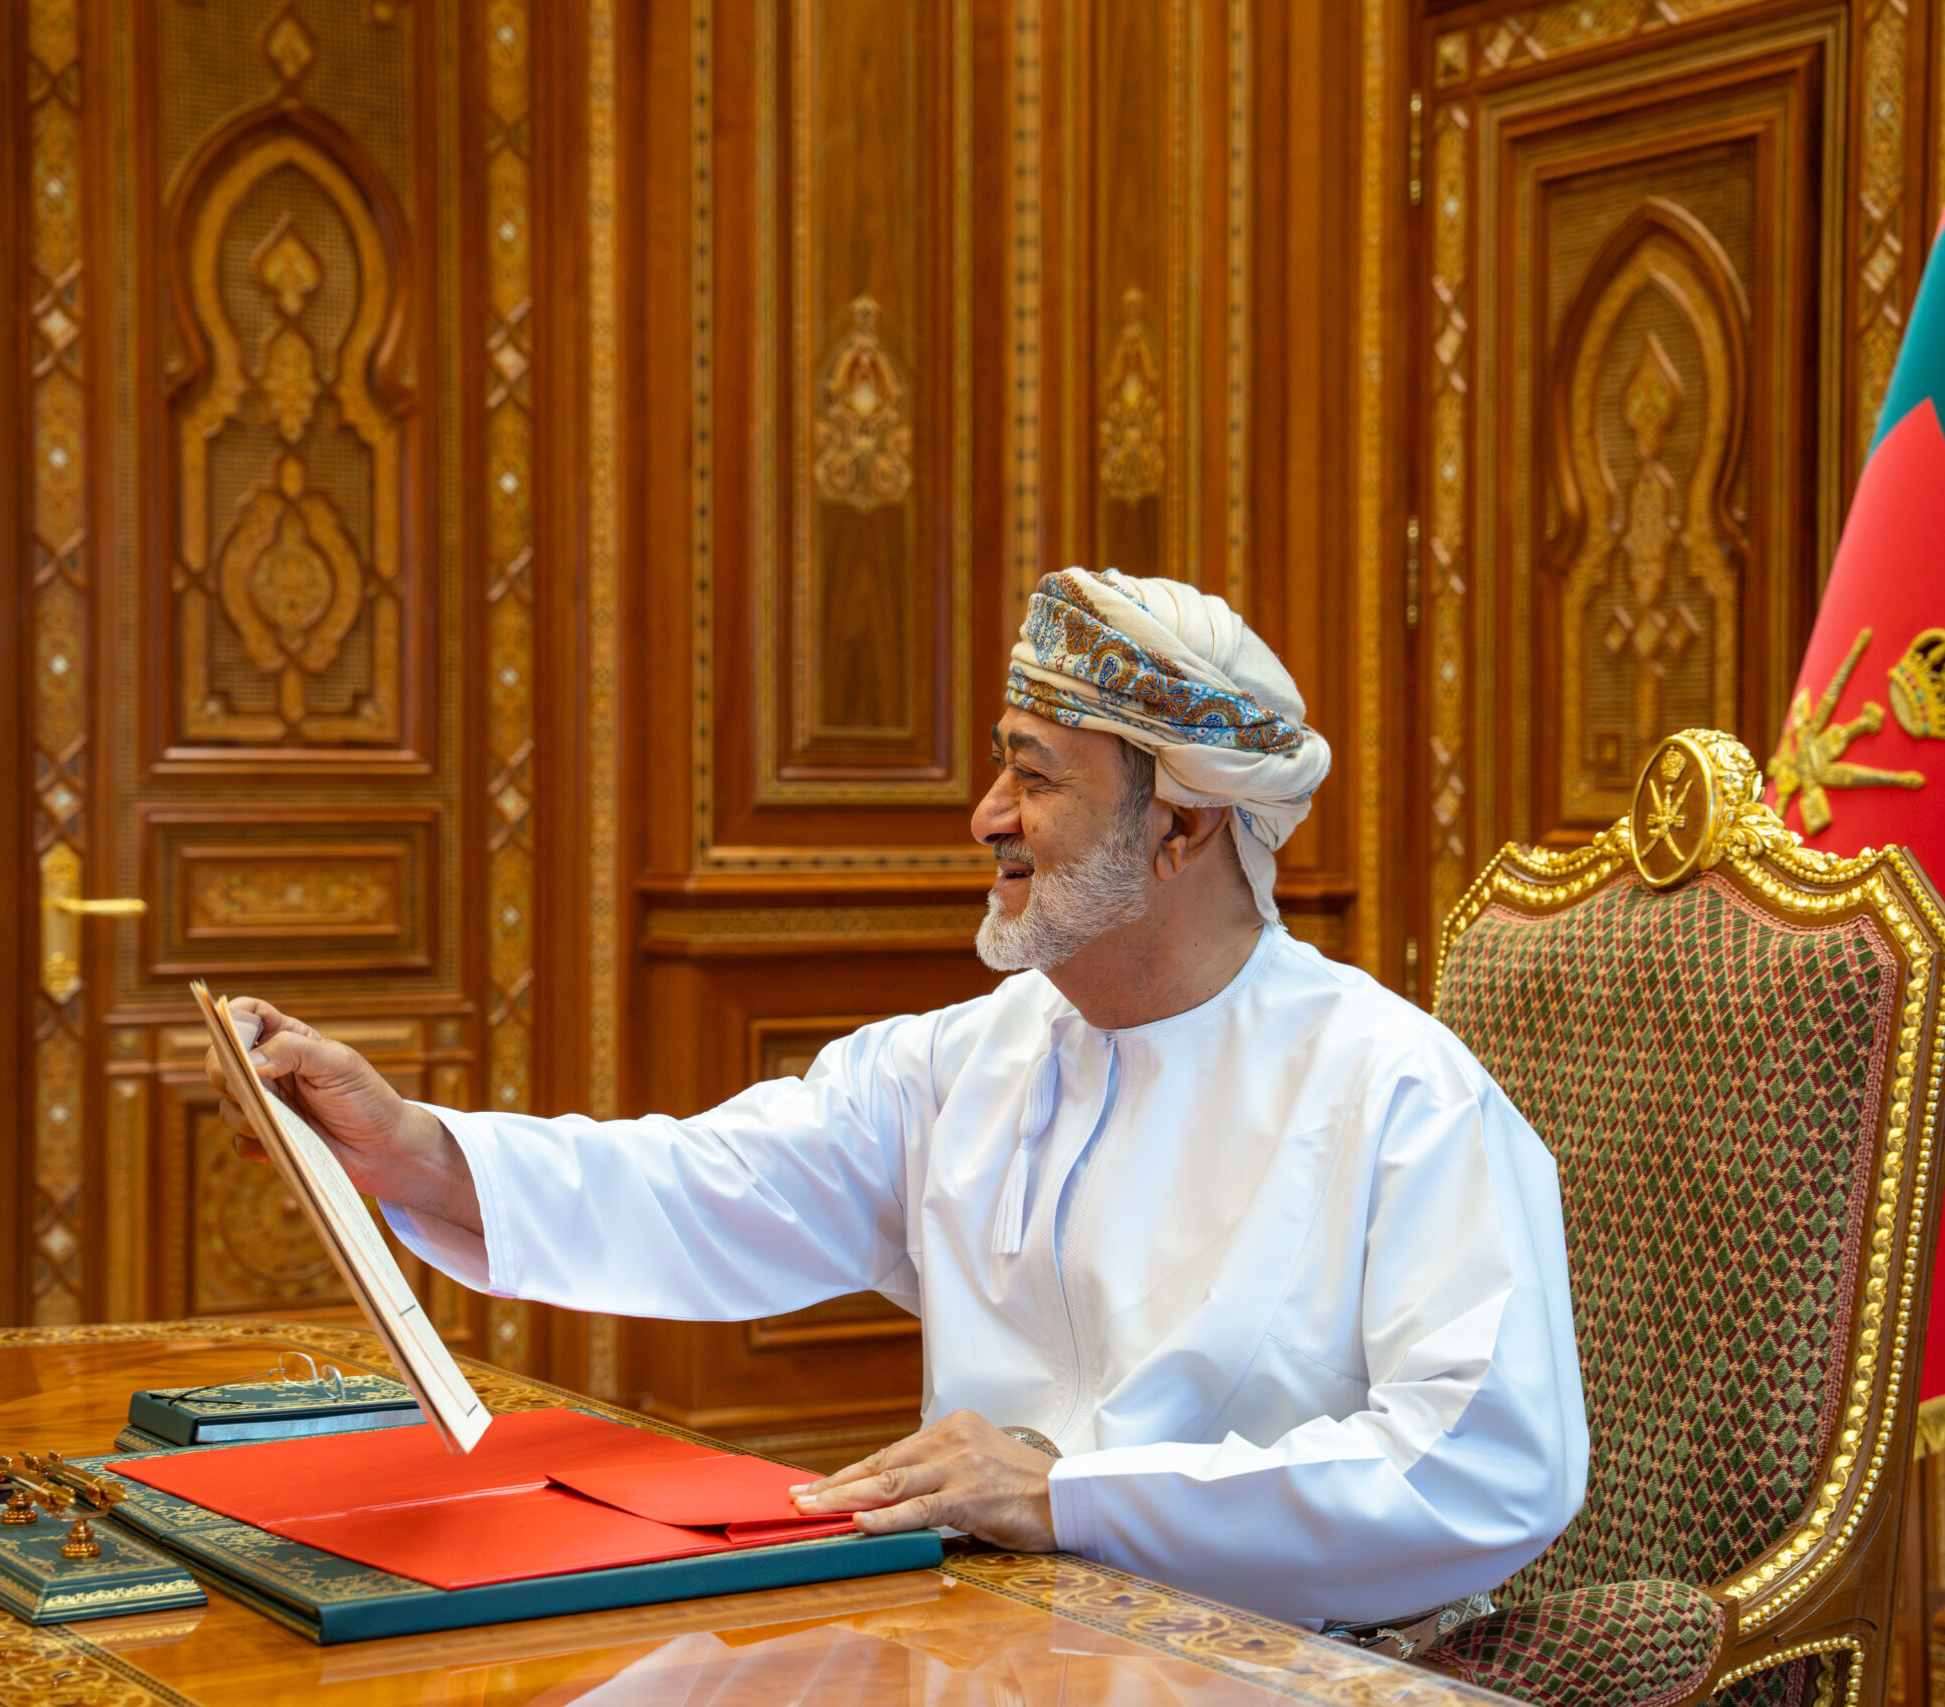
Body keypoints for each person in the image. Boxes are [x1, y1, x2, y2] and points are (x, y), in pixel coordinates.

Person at [210, 567, 1586, 1632]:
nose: (986, 815)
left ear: (1180, 826)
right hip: (980, 1645)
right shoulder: (963, 1063)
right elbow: (699, 1188)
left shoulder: (1398, 1092)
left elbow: (1485, 1466)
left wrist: (1071, 1498)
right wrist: (410, 1150)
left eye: (1034, 777)